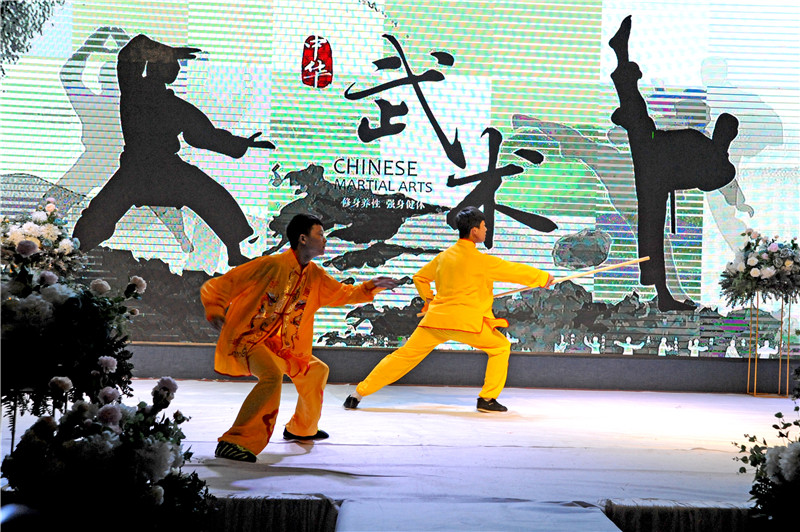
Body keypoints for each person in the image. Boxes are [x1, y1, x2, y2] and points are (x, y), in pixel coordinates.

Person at [200, 214, 399, 462]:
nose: (325, 239)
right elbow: (223, 284)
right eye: (320, 234)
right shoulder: (271, 265)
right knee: (272, 375)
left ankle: (301, 428)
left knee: (316, 371)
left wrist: (370, 286)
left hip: (281, 346)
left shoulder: (314, 274)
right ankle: (234, 441)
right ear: (303, 239)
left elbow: (342, 293)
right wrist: (216, 309)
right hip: (249, 340)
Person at [72, 34, 272, 266]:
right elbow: (205, 137)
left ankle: (74, 250)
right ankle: (72, 251)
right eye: (171, 64)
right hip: (154, 168)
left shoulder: (135, 90)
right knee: (211, 195)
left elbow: (203, 136)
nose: (175, 68)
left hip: (142, 169)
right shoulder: (140, 92)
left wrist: (242, 143)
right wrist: (168, 52)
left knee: (103, 210)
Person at [343, 207, 554, 413]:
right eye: (484, 226)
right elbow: (514, 271)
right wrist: (543, 278)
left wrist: (429, 299)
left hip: (435, 322)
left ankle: (357, 394)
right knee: (500, 347)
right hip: (466, 324)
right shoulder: (482, 261)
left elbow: (420, 277)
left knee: (402, 357)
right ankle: (487, 399)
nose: (486, 230)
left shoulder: (443, 257)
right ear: (474, 231)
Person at [608, 16, 739, 311]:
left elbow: (705, 180)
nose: (721, 129)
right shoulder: (706, 146)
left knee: (652, 230)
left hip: (655, 169)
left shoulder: (719, 162)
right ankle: (622, 64)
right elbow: (678, 146)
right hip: (654, 157)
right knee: (638, 118)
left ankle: (663, 295)